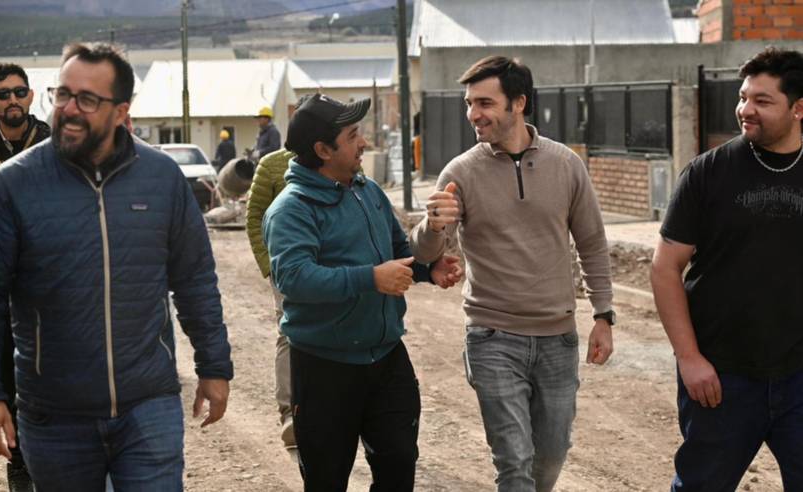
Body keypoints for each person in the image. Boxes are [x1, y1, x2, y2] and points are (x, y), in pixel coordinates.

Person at [0, 42, 234, 491]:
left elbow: (195, 280)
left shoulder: (162, 178)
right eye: (62, 94)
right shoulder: (13, 185)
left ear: (121, 110)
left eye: (87, 99)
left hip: (148, 404)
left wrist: (214, 365)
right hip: (55, 415)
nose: (69, 109)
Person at [410, 55, 614, 492]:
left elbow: (592, 243)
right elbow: (425, 253)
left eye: (484, 103)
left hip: (558, 338)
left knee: (551, 455)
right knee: (514, 462)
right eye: (469, 103)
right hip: (492, 337)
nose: (473, 114)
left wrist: (604, 314)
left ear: (518, 103)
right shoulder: (459, 173)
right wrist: (433, 225)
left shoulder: (565, 164)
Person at [264, 93, 462, 491]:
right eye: (353, 136)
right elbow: (294, 278)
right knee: (326, 480)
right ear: (323, 150)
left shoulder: (367, 190)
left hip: (387, 359)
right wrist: (369, 278)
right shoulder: (291, 209)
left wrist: (428, 269)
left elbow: (397, 251)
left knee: (398, 467)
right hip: (324, 369)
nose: (364, 143)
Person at [651, 47, 803, 492]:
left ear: (798, 108)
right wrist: (689, 358)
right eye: (743, 97)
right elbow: (665, 268)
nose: (745, 109)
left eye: (762, 100)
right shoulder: (707, 173)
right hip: (721, 377)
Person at [0, 62, 51, 492]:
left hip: (45, 274)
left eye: (19, 92)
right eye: (2, 94)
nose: (12, 100)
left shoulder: (54, 142)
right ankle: (18, 470)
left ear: (31, 96)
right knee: (4, 373)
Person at [245, 146, 295, 449]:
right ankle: (290, 413)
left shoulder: (341, 158)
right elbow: (254, 218)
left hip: (333, 268)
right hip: (285, 268)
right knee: (289, 332)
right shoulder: (272, 165)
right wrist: (270, 266)